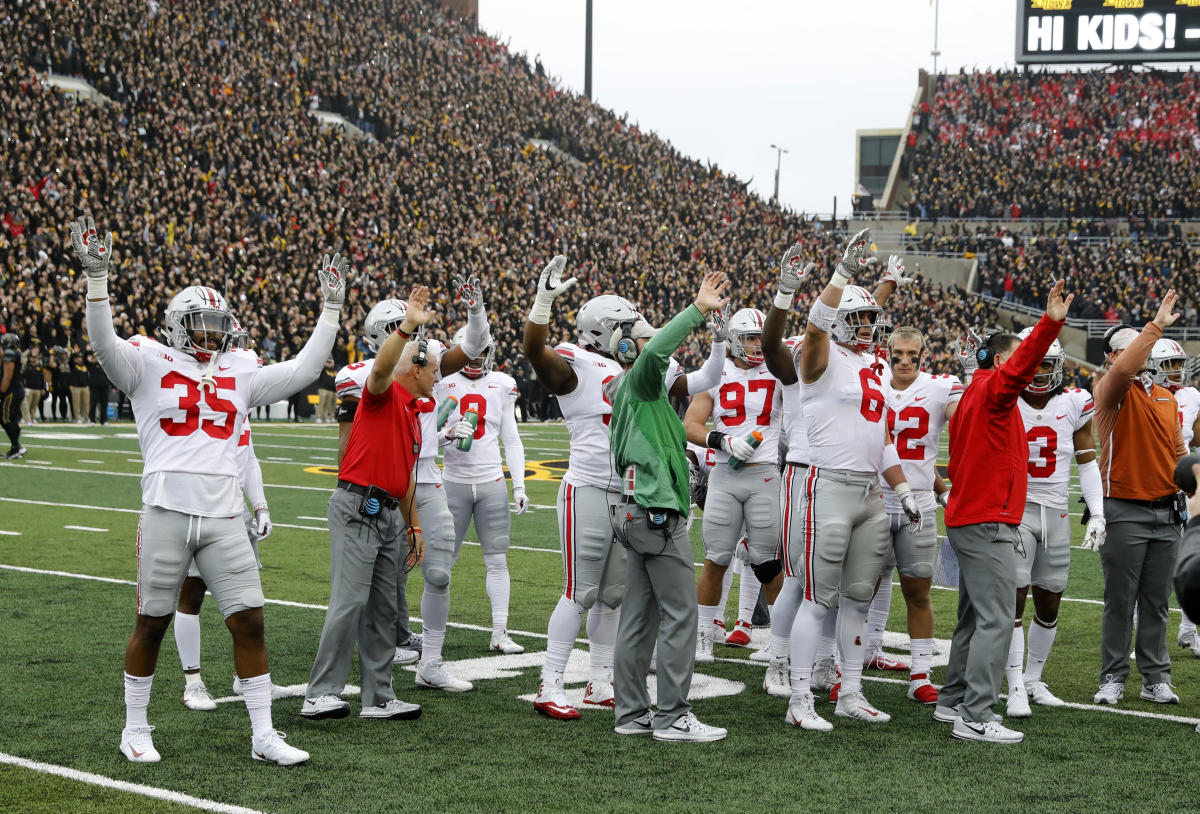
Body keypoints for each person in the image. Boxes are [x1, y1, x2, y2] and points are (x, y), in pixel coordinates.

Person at [75, 215, 346, 765]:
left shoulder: (240, 367)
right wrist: (97, 281)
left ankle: (263, 734)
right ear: (177, 325)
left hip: (224, 515)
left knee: (249, 619)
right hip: (167, 510)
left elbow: (303, 369)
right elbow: (101, 342)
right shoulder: (146, 360)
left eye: (217, 324)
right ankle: (135, 728)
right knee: (151, 622)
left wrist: (332, 311)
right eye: (200, 324)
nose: (211, 334)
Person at [521, 257, 725, 720]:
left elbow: (699, 383)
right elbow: (536, 352)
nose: (639, 331)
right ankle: (550, 683)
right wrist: (543, 303)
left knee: (613, 595)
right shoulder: (580, 361)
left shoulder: (644, 366)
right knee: (580, 590)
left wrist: (719, 343)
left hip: (630, 495)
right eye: (630, 325)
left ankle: (598, 680)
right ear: (608, 330)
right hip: (589, 487)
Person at [781, 231, 921, 732]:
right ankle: (799, 698)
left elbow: (880, 439)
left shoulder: (871, 366)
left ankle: (851, 692)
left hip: (869, 491)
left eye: (870, 320)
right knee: (818, 596)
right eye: (858, 319)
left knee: (859, 595)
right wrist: (842, 274)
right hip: (828, 485)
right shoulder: (819, 357)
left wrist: (903, 489)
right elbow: (817, 325)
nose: (867, 327)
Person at [936, 278, 1071, 745]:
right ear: (999, 360)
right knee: (995, 617)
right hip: (986, 519)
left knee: (975, 616)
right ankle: (974, 713)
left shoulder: (975, 392)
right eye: (1015, 358)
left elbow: (957, 462)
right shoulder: (995, 388)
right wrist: (1050, 324)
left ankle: (953, 699)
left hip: (970, 515)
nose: (1028, 369)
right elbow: (1018, 369)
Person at [608, 269, 730, 743]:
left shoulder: (643, 395)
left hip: (638, 510)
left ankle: (631, 713)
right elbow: (658, 352)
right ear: (630, 348)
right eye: (646, 337)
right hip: (655, 514)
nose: (658, 343)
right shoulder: (640, 381)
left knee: (639, 618)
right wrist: (697, 309)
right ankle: (673, 715)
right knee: (683, 614)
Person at [301, 286, 432, 722]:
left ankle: (378, 697)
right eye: (431, 366)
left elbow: (405, 477)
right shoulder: (382, 394)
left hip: (389, 512)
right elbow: (379, 370)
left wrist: (413, 527)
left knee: (383, 608)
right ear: (412, 367)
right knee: (349, 601)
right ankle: (319, 692)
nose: (437, 373)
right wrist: (408, 324)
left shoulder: (413, 411)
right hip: (359, 506)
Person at [1089, 295, 1187, 707]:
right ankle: (1112, 676)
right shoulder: (1110, 390)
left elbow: (1179, 453)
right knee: (1119, 602)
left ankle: (1155, 678)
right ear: (1113, 356)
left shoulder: (1166, 397)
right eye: (1130, 348)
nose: (1140, 354)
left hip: (1167, 513)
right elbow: (1127, 369)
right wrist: (1155, 327)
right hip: (1124, 510)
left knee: (1156, 602)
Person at [1004, 328, 1103, 718]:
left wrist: (1097, 512)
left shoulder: (1075, 402)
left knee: (1050, 599)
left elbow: (1088, 461)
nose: (1040, 371)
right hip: (1017, 510)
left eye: (1046, 363)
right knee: (1014, 599)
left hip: (1057, 513)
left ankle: (1033, 678)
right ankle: (1013, 687)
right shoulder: (1006, 399)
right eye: (1032, 362)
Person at [868, 326, 962, 706]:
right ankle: (848, 668)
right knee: (861, 590)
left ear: (924, 354)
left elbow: (965, 419)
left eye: (913, 354)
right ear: (887, 352)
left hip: (918, 503)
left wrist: (943, 490)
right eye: (898, 354)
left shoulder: (941, 387)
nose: (905, 360)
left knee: (917, 591)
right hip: (873, 497)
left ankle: (920, 675)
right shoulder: (870, 380)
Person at [684, 308, 783, 665]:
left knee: (768, 562)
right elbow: (691, 424)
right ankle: (703, 637)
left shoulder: (778, 369)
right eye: (751, 338)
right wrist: (721, 441)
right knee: (716, 559)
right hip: (725, 473)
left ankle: (779, 642)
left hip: (765, 474)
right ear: (733, 339)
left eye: (761, 337)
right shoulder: (717, 371)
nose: (758, 345)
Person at [438, 330, 529, 654]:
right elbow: (422, 436)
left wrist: (518, 483)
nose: (476, 358)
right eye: (470, 351)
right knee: (442, 563)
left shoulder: (502, 384)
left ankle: (499, 632)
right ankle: (433, 637)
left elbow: (511, 438)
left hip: (491, 481)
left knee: (497, 560)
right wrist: (447, 433)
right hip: (454, 481)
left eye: (480, 352)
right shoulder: (442, 381)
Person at [1, 333, 25, 459]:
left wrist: (1, 393)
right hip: (18, 389)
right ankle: (16, 447)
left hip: (11, 390)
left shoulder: (10, 353)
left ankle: (17, 446)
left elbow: (7, 376)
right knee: (12, 419)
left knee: (4, 418)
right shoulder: (17, 353)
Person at [20, 343, 45, 425]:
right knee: (27, 404)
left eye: (35, 358)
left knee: (34, 405)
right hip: (29, 387)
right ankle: (25, 418)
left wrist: (43, 388)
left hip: (37, 388)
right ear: (30, 358)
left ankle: (33, 418)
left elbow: (42, 378)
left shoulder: (39, 366)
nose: (33, 359)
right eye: (32, 357)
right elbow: (22, 359)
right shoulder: (27, 365)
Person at [87, 350, 111, 425]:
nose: (97, 359)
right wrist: (89, 352)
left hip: (104, 387)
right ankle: (92, 420)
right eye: (95, 357)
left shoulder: (105, 365)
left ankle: (103, 420)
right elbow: (85, 359)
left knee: (104, 404)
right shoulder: (91, 365)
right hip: (95, 387)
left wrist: (113, 386)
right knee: (93, 404)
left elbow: (110, 376)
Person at [316, 358, 336, 423]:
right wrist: (324, 364)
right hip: (323, 388)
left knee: (328, 404)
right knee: (321, 403)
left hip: (331, 389)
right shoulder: (323, 369)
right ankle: (318, 417)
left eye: (331, 362)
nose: (329, 363)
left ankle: (325, 417)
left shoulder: (334, 370)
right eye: (328, 362)